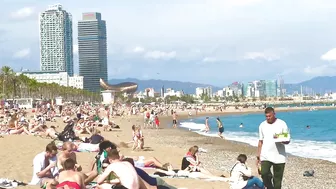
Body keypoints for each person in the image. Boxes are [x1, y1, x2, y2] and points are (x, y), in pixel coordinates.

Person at [257, 107, 290, 189]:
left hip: (279, 156)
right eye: (266, 116)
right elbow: (260, 141)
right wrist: (258, 155)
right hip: (265, 155)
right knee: (264, 173)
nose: (268, 118)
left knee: (277, 181)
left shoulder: (282, 124)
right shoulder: (262, 125)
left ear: (274, 114)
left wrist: (282, 140)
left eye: (269, 116)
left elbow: (287, 140)